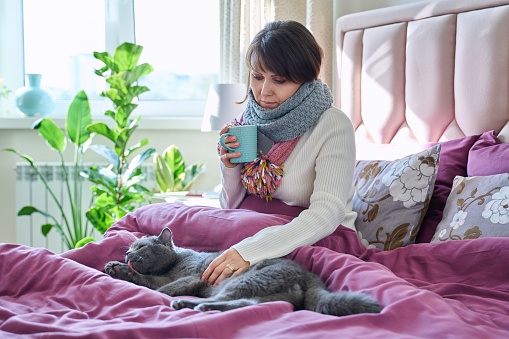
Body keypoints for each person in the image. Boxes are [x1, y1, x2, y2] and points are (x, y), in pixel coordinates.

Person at [201, 20, 357, 285]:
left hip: (315, 235)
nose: (264, 92)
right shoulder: (247, 121)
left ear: (307, 78)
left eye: (280, 80)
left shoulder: (332, 124)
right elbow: (230, 207)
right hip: (251, 229)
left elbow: (327, 214)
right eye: (257, 76)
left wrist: (250, 251)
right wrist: (229, 168)